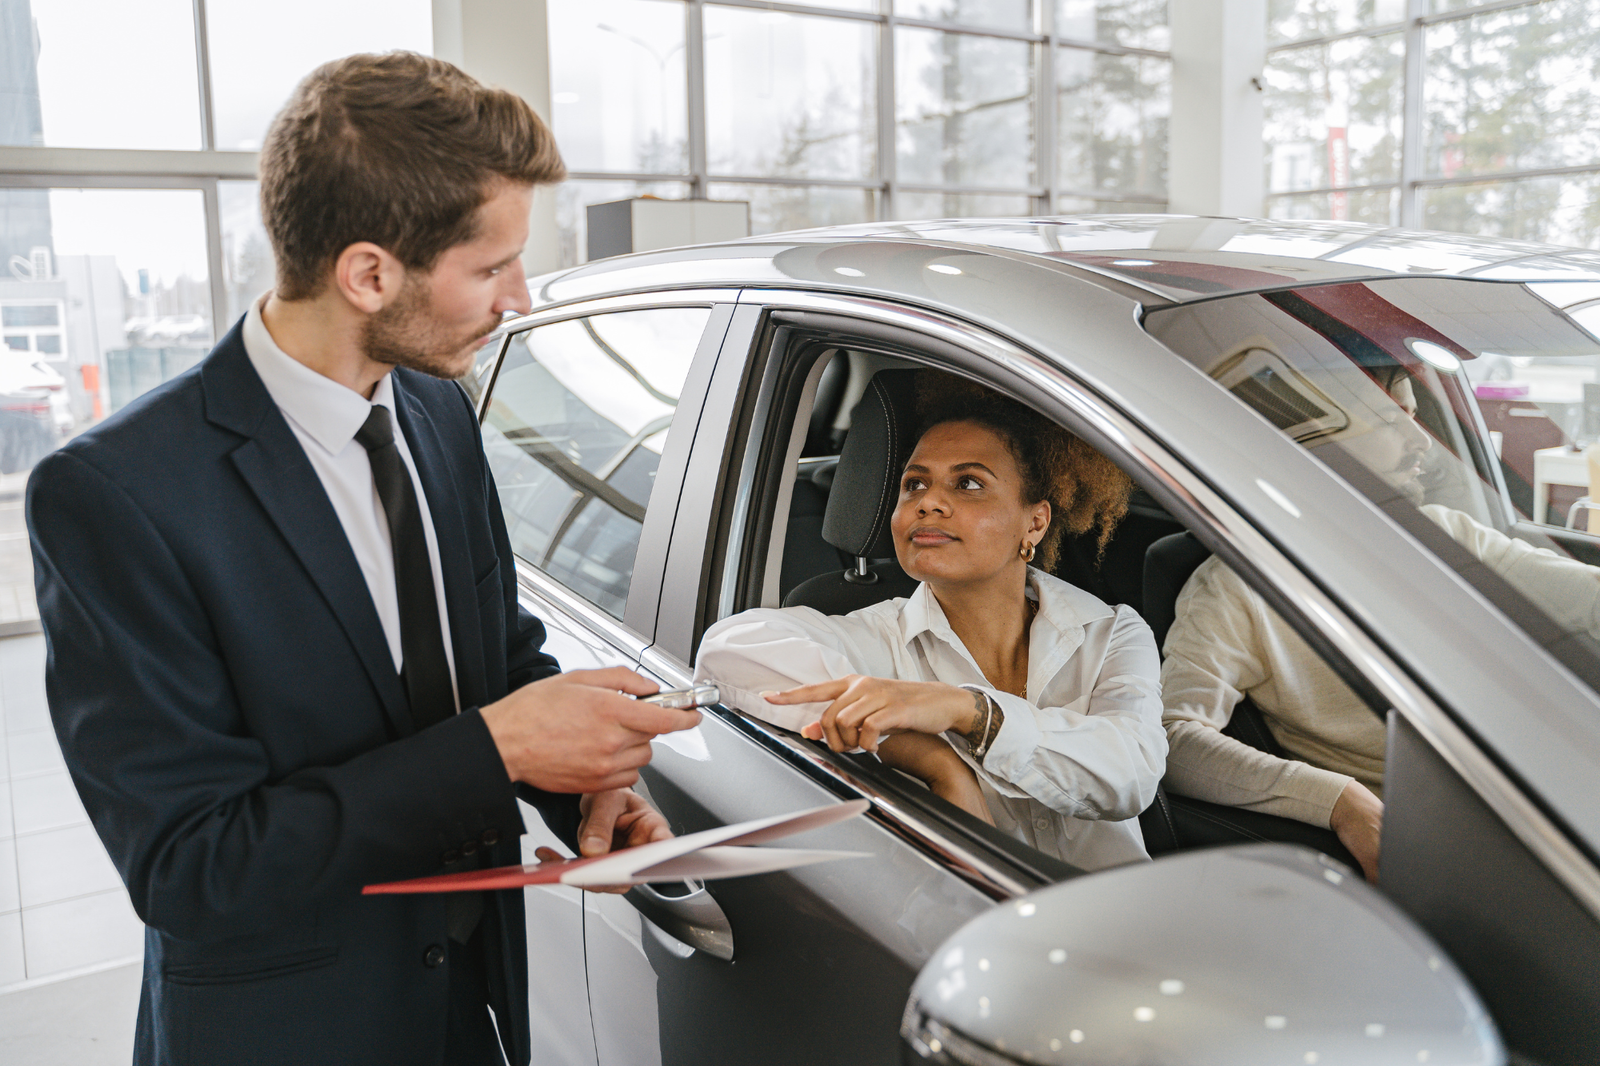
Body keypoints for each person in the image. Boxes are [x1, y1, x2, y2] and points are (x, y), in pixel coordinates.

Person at [25, 53, 698, 1066]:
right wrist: (500, 752)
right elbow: (191, 866)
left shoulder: (436, 411)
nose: (518, 298)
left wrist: (579, 784)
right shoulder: (117, 495)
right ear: (369, 273)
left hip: (471, 1005)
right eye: (490, 266)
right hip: (289, 1033)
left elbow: (496, 659)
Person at [696, 377, 1166, 872]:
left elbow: (1131, 774)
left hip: (1126, 921)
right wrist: (933, 760)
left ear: (1035, 522)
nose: (928, 502)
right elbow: (725, 652)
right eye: (914, 484)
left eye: (968, 483)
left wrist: (970, 713)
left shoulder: (1111, 631)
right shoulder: (874, 640)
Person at [1161, 363, 1600, 883]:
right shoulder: (1233, 588)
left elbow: (1584, 598)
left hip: (1558, 792)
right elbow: (1172, 739)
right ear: (1319, 439)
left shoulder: (1443, 534)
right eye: (1392, 422)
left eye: (1414, 416)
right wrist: (1339, 801)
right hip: (1465, 843)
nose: (1423, 444)